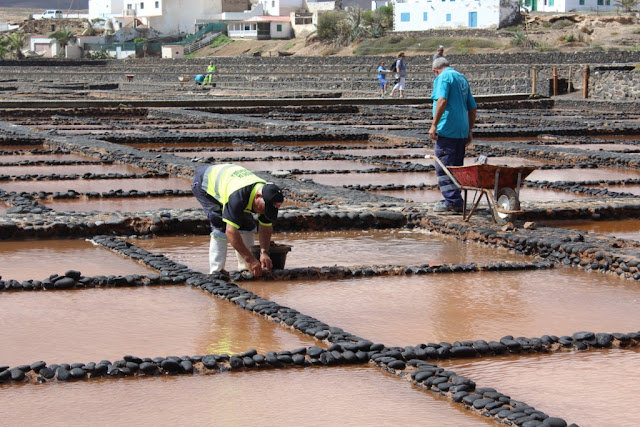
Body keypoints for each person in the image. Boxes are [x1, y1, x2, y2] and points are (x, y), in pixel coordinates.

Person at [192, 163, 284, 277]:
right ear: (258, 197)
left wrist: (264, 252)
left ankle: (245, 268)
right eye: (264, 209)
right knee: (220, 225)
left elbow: (265, 226)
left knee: (247, 225)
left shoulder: (268, 197)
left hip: (230, 179)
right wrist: (250, 259)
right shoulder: (237, 197)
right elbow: (230, 231)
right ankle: (217, 270)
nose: (264, 212)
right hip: (205, 183)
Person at [429, 56, 477, 213]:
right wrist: (469, 129)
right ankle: (455, 199)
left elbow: (442, 101)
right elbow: (472, 107)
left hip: (447, 128)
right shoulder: (461, 78)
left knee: (443, 167)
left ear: (435, 71)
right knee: (456, 167)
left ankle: (452, 201)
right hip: (461, 130)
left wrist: (434, 125)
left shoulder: (443, 77)